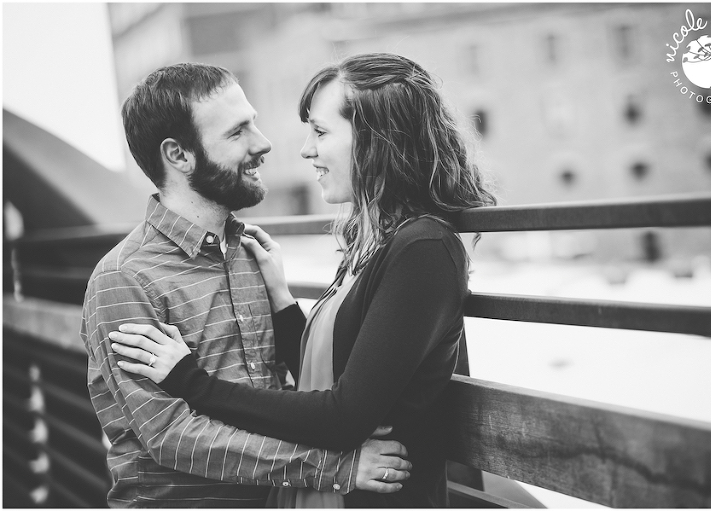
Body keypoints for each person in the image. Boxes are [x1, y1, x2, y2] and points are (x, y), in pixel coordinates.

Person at [109, 53, 496, 507]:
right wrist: (282, 299)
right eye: (237, 130)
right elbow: (339, 371)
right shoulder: (372, 242)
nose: (304, 149)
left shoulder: (423, 250)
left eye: (321, 131)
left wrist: (192, 383)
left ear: (378, 140)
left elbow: (344, 415)